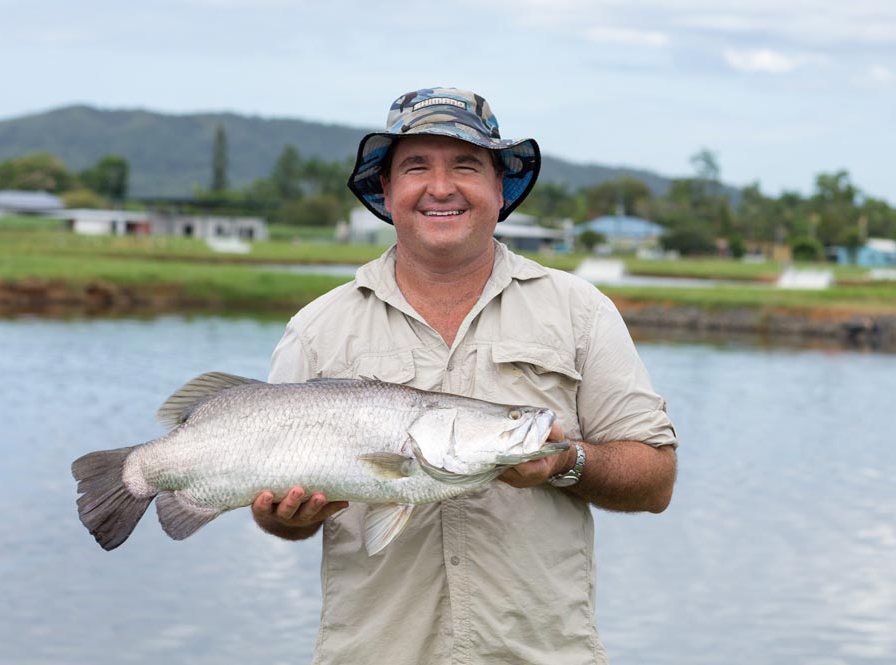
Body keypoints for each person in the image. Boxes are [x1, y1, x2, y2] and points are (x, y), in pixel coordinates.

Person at [252, 87, 678, 664]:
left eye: (466, 165)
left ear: (500, 188)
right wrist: (284, 519)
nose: (441, 187)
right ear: (386, 189)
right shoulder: (317, 329)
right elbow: (274, 505)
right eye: (416, 167)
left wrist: (566, 463)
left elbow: (656, 479)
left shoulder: (581, 311)